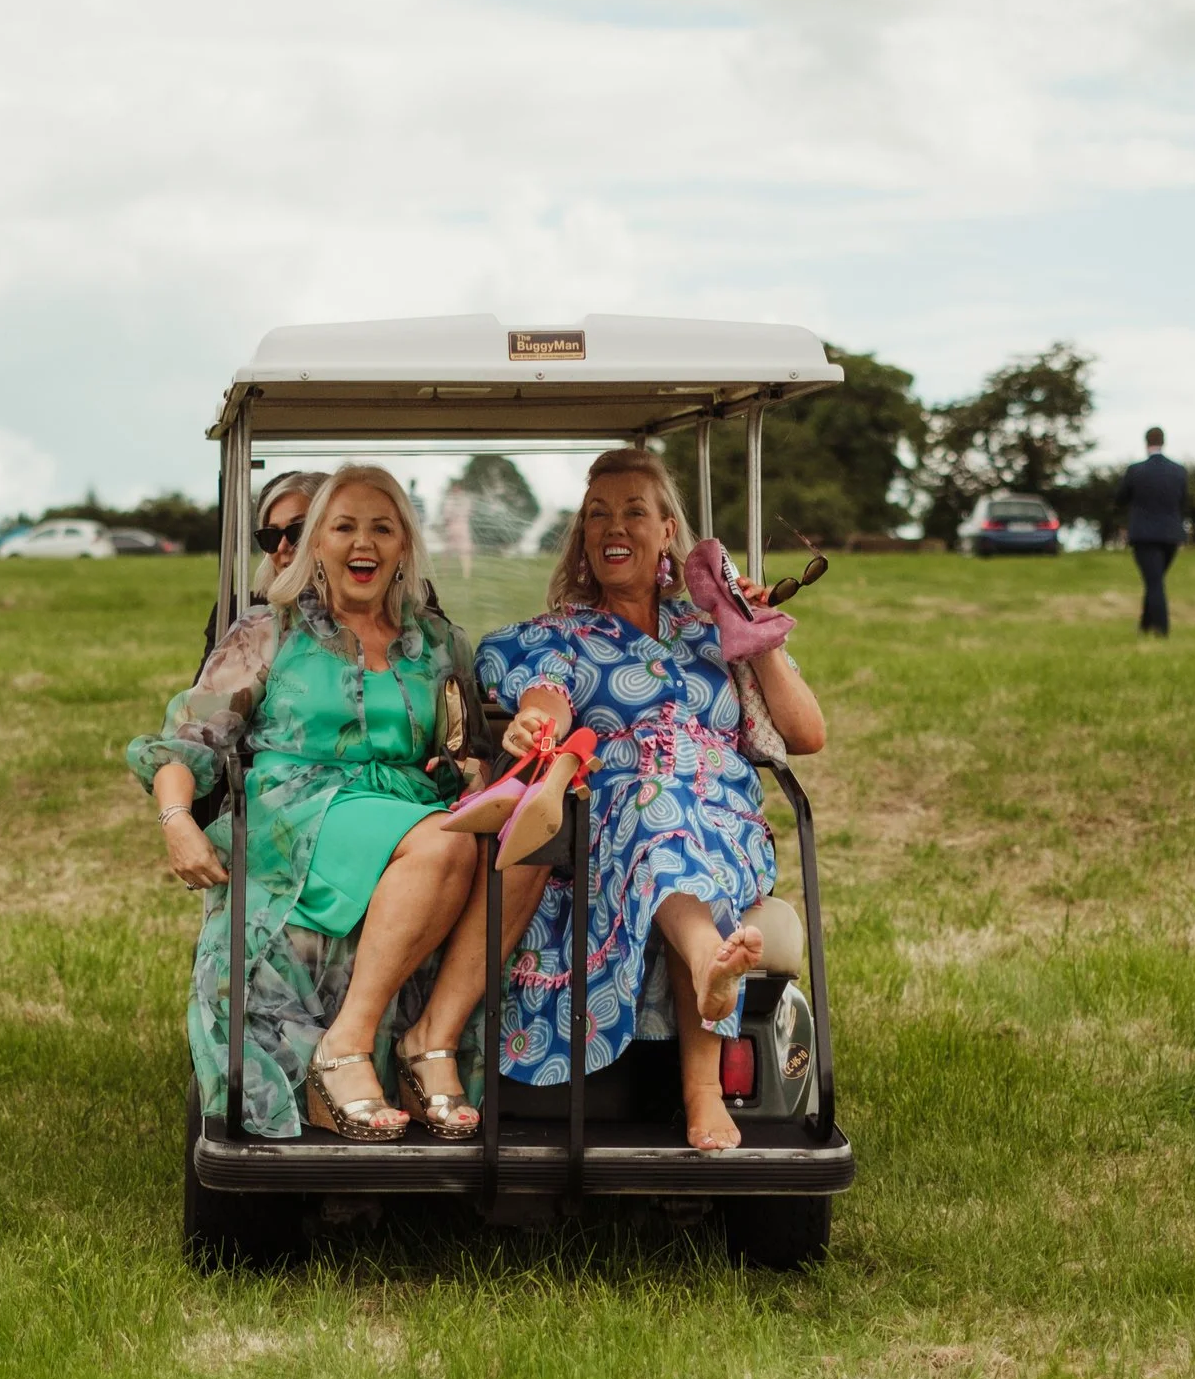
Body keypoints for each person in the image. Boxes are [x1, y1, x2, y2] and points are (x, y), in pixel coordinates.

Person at [411, 447, 827, 1152]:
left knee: (685, 825)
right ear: (583, 535)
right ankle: (706, 994)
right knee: (654, 803)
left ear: (669, 531)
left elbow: (806, 733)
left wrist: (752, 634)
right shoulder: (561, 637)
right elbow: (547, 700)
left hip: (726, 821)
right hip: (616, 822)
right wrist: (535, 721)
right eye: (598, 513)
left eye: (635, 511)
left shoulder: (710, 633)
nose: (616, 526)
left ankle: (706, 1002)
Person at [129, 465, 495, 1142]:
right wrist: (177, 820)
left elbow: (463, 746)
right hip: (299, 814)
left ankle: (402, 1049)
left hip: (407, 810)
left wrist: (471, 768)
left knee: (480, 839)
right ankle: (347, 1045)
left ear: (405, 546)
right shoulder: (268, 631)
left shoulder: (439, 643)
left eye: (382, 527)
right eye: (344, 526)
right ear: (316, 543)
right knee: (445, 841)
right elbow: (186, 743)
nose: (364, 543)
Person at [200, 470, 325, 664]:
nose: (282, 547)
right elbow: (206, 692)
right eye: (270, 536)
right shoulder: (243, 614)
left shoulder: (368, 617)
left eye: (298, 531)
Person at [1116, 426, 1191, 636]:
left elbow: (1120, 499)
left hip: (1144, 535)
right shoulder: (1178, 471)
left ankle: (1161, 629)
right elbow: (1184, 501)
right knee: (1155, 580)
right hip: (1171, 535)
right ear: (1163, 442)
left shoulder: (1135, 471)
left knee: (1154, 581)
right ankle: (1145, 626)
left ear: (1146, 442)